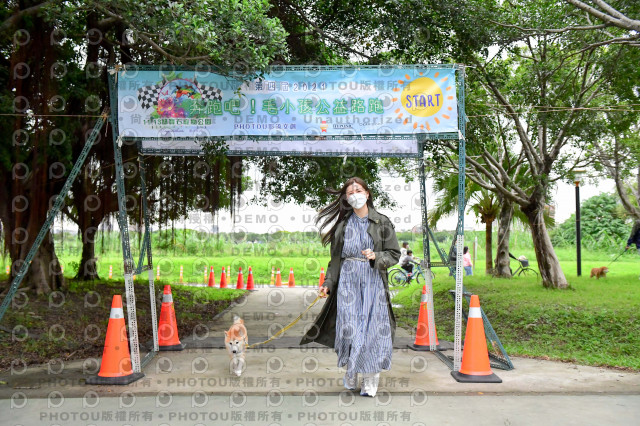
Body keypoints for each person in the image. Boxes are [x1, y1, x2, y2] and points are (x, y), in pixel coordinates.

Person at [299, 176, 400, 397]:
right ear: (346, 198)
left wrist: (376, 256)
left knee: (373, 332)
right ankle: (352, 369)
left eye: (358, 191)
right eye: (350, 193)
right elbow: (335, 261)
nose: (355, 195)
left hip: (373, 282)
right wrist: (328, 283)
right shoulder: (343, 226)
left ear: (367, 193)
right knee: (351, 329)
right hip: (347, 283)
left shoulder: (382, 222)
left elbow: (394, 254)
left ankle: (370, 378)